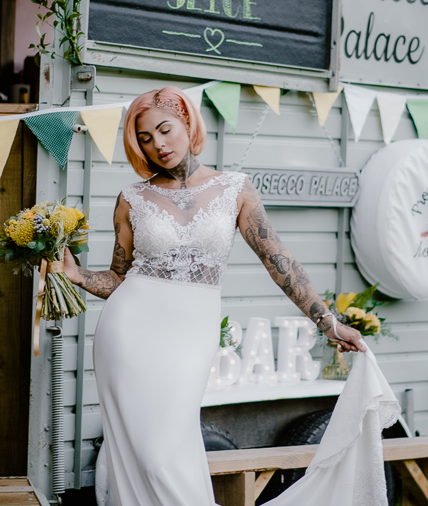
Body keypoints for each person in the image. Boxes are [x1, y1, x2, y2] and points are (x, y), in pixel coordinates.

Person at [62, 86, 394, 506]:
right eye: (145, 138)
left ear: (187, 121)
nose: (158, 145)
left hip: (190, 336)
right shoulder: (132, 198)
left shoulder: (235, 188)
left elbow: (279, 261)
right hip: (128, 336)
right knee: (147, 456)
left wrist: (327, 321)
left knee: (165, 454)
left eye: (164, 130)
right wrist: (76, 275)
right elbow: (118, 277)